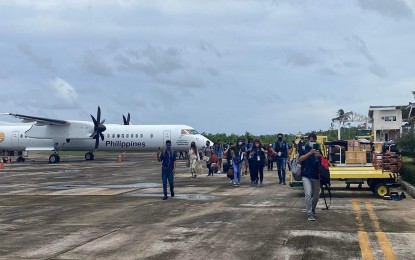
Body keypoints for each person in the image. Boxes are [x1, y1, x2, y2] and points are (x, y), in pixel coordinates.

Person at [298, 133, 321, 221]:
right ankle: (309, 213)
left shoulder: (318, 147)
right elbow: (300, 159)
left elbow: (322, 159)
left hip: (316, 174)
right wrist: (310, 153)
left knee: (316, 196)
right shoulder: (303, 147)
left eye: (314, 141)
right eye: (311, 141)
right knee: (308, 194)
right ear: (308, 140)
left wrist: (319, 156)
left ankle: (313, 209)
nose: (313, 143)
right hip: (306, 174)